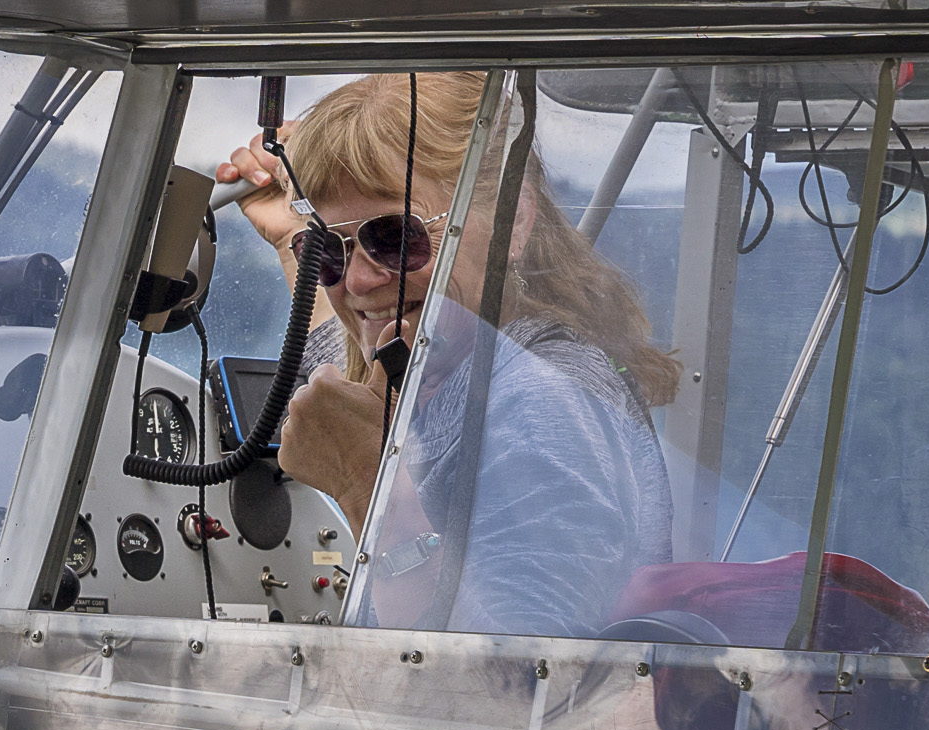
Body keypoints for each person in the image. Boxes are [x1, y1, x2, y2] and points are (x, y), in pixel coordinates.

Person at [218, 72, 680, 640]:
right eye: (329, 250)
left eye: (394, 236)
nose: (358, 280)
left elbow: (509, 695)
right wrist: (298, 238)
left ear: (511, 222)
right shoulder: (458, 357)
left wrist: (368, 484)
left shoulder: (539, 404)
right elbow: (346, 334)